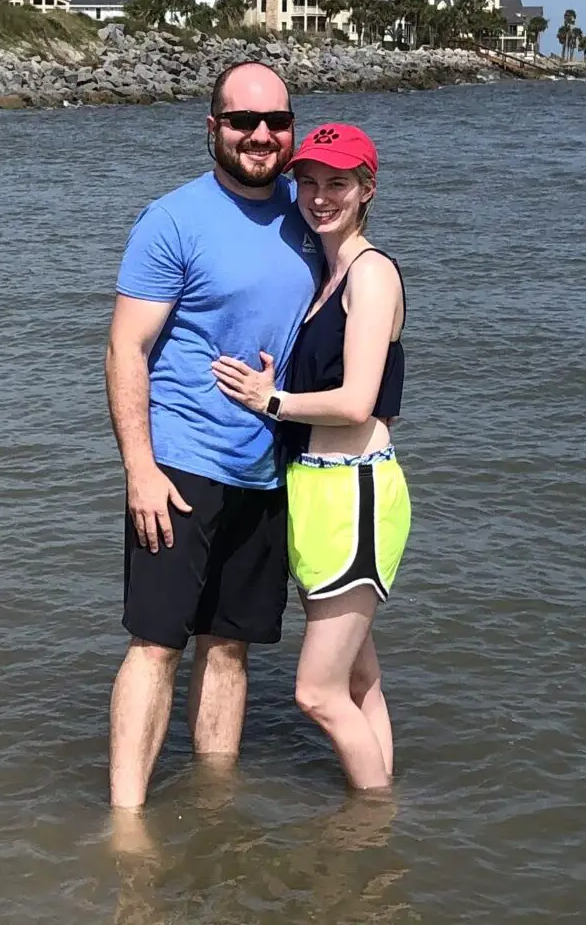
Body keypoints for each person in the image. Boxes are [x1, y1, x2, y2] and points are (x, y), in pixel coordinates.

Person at [105, 61, 321, 809]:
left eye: (276, 121)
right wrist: (141, 467)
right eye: (242, 122)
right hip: (182, 464)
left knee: (230, 648)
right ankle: (128, 823)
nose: (261, 135)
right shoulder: (172, 220)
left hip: (267, 468)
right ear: (213, 129)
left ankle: (211, 814)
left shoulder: (311, 208)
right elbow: (125, 348)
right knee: (157, 644)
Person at [211, 124, 410, 790]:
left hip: (353, 493)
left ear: (366, 190)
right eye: (310, 182)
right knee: (357, 678)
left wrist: (273, 401)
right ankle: (384, 816)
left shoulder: (371, 275)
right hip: (318, 491)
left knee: (317, 694)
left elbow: (356, 402)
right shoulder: (326, 275)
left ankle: (373, 823)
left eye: (338, 184)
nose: (320, 197)